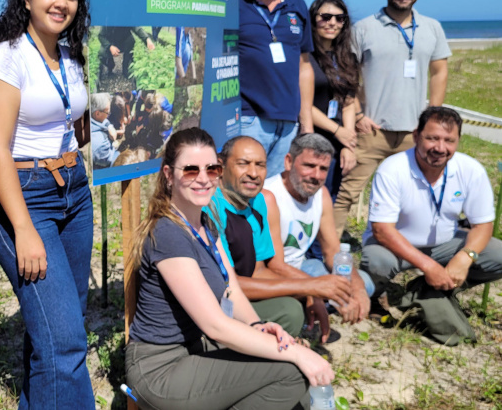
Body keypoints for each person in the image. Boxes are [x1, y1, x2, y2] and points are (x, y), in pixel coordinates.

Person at [125, 128, 333, 410]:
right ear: (168, 174)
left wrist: (259, 326)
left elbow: (231, 289)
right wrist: (295, 352)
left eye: (211, 169)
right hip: (162, 369)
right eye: (190, 170)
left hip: (195, 347)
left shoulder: (204, 223)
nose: (203, 178)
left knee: (298, 393)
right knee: (291, 371)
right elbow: (216, 326)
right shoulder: (168, 233)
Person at [0, 0, 95, 409]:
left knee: (55, 329)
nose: (61, 2)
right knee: (65, 344)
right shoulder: (8, 56)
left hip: (75, 192)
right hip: (27, 198)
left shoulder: (68, 55)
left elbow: (71, 125)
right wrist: (24, 229)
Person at [333, 0, 451, 237]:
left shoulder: (432, 28)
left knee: (413, 197)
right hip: (371, 131)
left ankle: (403, 250)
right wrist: (359, 115)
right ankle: (328, 251)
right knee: (345, 194)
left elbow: (439, 72)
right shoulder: (363, 28)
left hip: (414, 133)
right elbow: (347, 78)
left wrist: (431, 120)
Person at [205, 136, 354, 340]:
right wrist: (309, 287)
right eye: (243, 164)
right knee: (291, 312)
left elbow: (258, 271)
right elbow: (225, 284)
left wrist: (311, 292)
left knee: (291, 308)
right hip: (210, 302)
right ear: (220, 166)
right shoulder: (209, 206)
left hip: (239, 294)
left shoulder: (259, 201)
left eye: (260, 165)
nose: (253, 173)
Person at [361, 107, 502, 293]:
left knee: (498, 254)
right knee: (378, 261)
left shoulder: (471, 170)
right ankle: (377, 297)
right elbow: (382, 230)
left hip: (445, 244)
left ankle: (430, 294)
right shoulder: (392, 169)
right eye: (432, 138)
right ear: (416, 136)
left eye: (449, 140)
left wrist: (465, 257)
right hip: (394, 246)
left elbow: (482, 225)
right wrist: (428, 266)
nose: (440, 148)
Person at [263, 134, 374, 327]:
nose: (316, 176)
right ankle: (308, 307)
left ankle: (314, 305)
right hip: (271, 274)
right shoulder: (270, 195)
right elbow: (275, 266)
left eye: (323, 169)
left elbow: (332, 252)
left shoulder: (321, 195)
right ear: (288, 162)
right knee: (327, 291)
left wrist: (358, 289)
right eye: (308, 166)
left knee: (364, 283)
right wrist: (317, 288)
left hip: (301, 267)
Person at [237, 0, 315, 178]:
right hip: (248, 120)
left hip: (289, 124)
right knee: (240, 195)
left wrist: (307, 122)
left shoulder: (297, 5)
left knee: (272, 199)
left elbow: (304, 66)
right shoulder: (232, 2)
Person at [308, 0, 360, 200]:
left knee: (331, 197)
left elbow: (347, 103)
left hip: (338, 142)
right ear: (313, 19)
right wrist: (338, 131)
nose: (332, 23)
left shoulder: (348, 58)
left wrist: (348, 143)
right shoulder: (304, 57)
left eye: (339, 18)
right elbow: (301, 105)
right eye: (326, 17)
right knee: (311, 197)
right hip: (311, 139)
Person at [91, 92, 121, 169]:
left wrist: (109, 126)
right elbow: (113, 161)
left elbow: (103, 121)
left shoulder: (93, 116)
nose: (108, 116)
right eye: (107, 113)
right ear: (97, 113)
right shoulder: (100, 145)